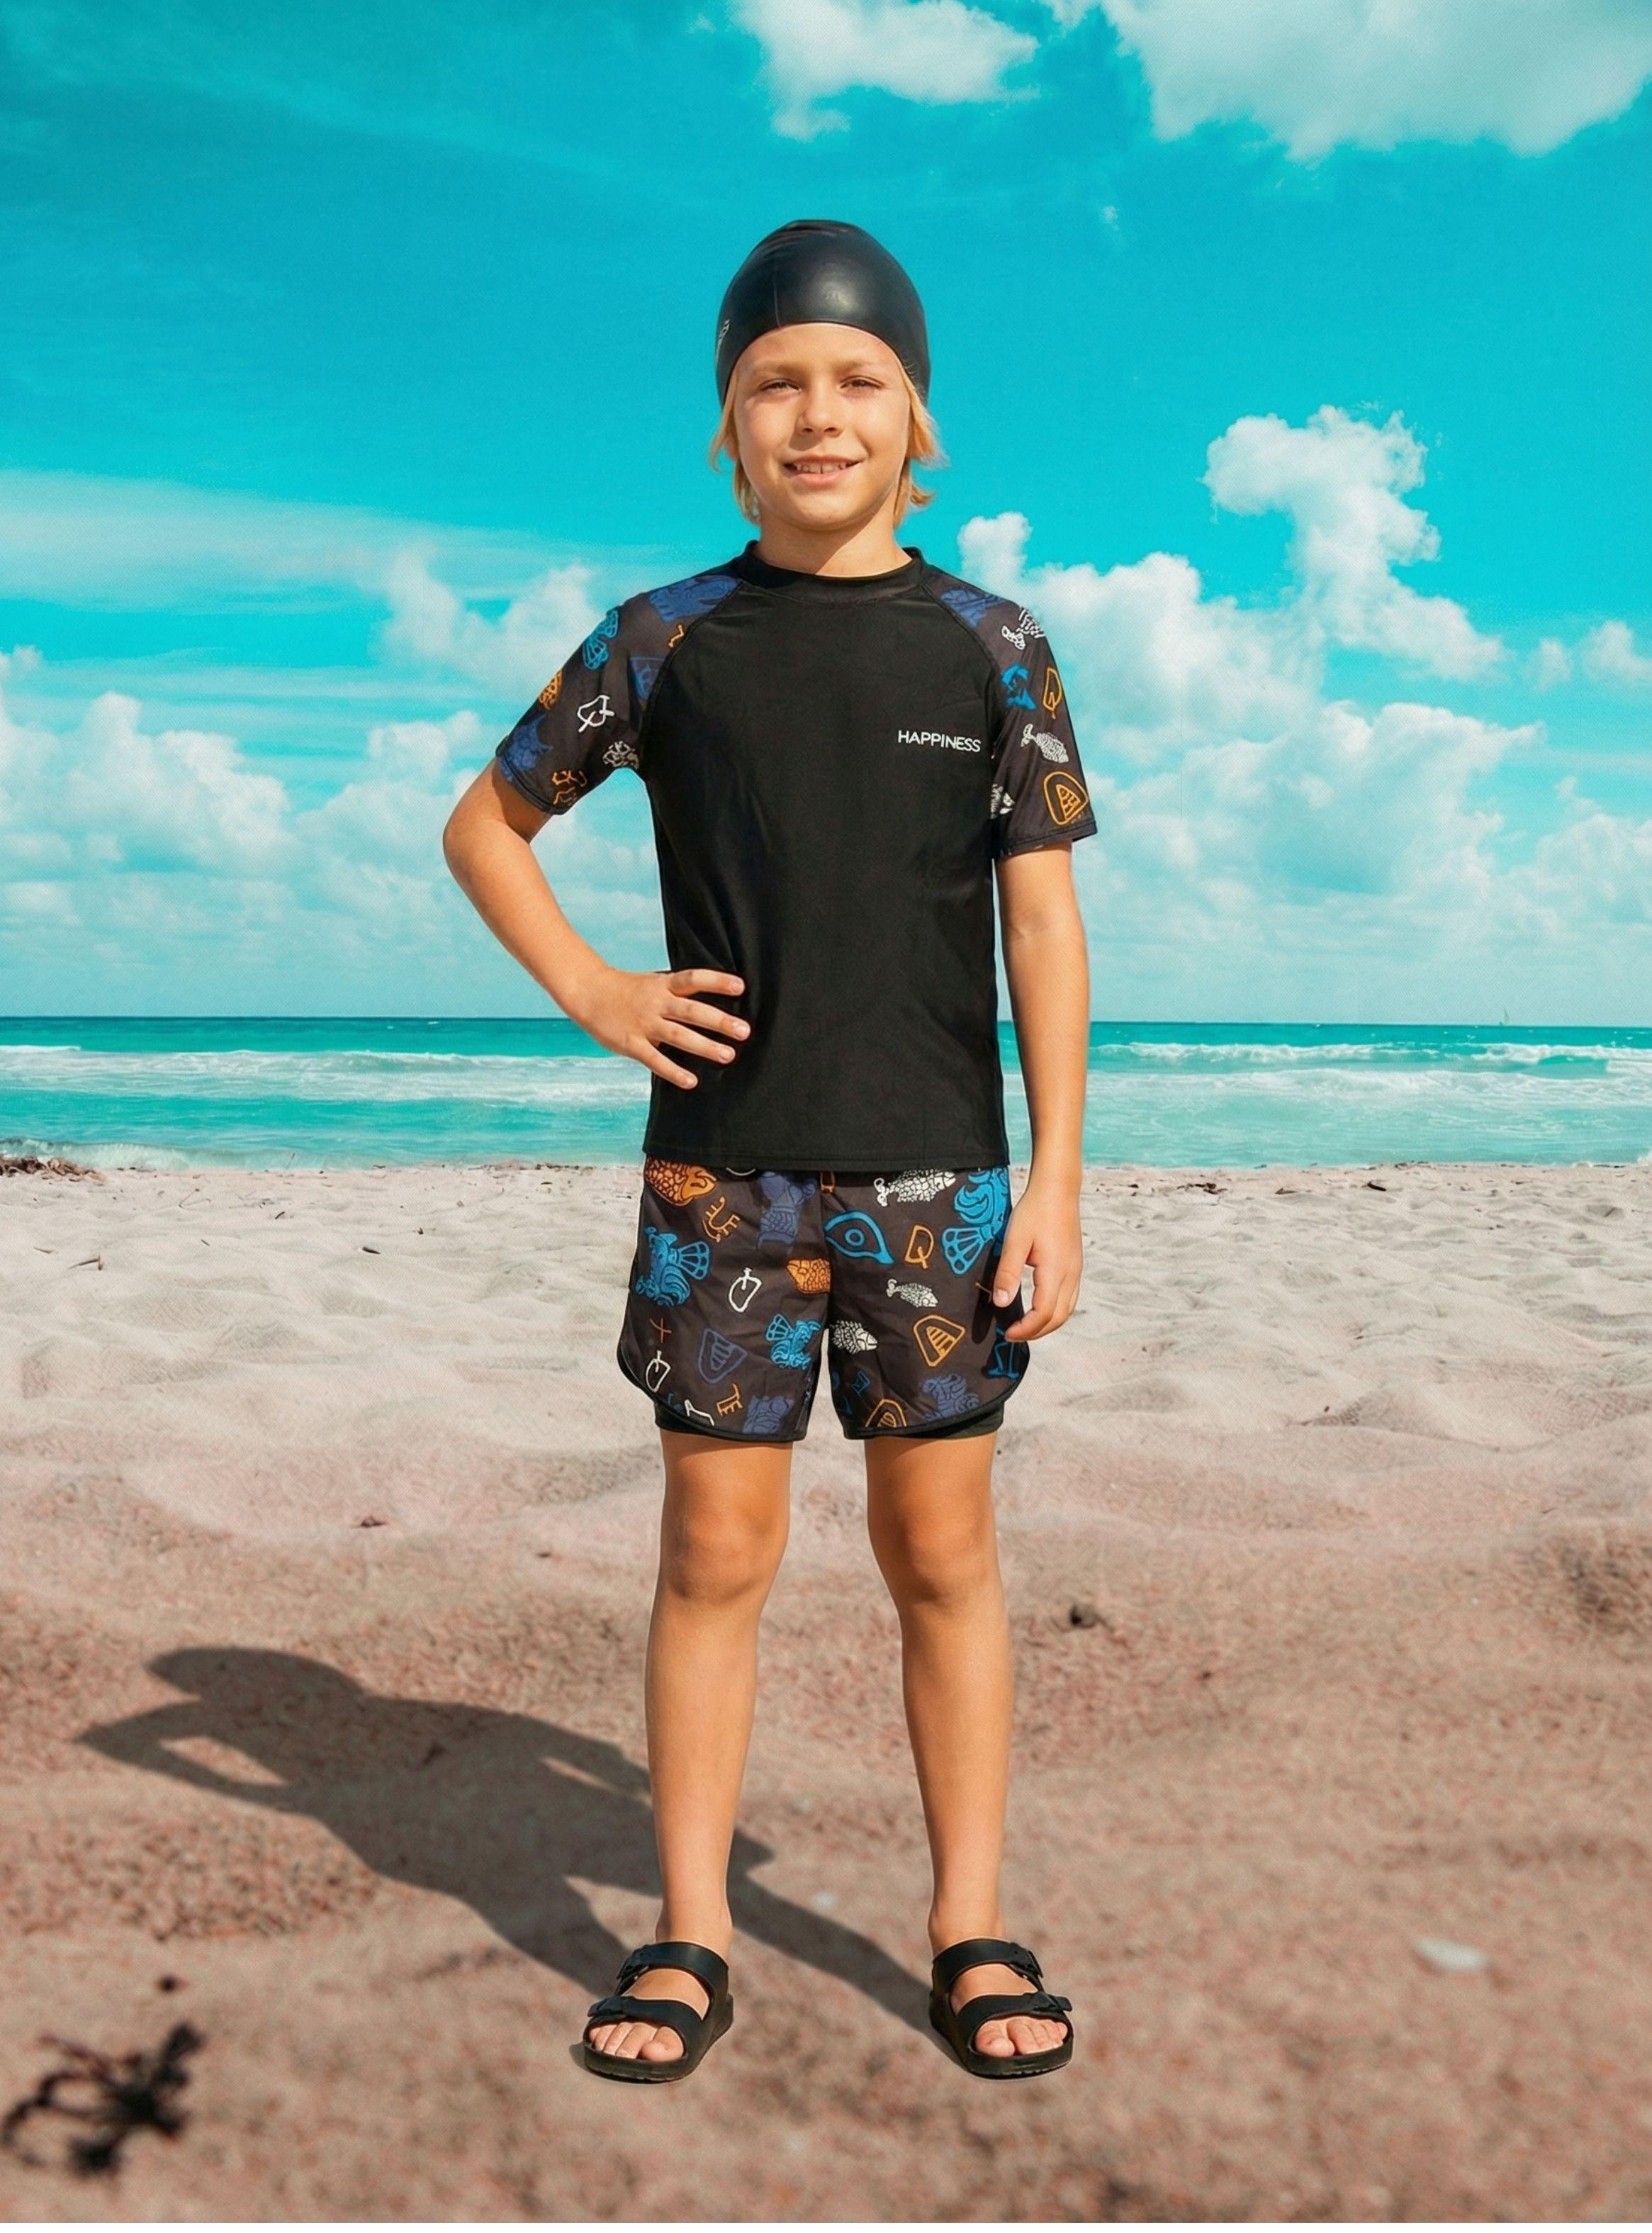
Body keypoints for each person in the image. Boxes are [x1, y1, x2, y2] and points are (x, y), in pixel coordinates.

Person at [443, 218, 1095, 2084]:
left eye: (857, 380)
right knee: (713, 1553)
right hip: (718, 1180)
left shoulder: (993, 646)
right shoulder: (664, 641)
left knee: (941, 1555)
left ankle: (970, 1923)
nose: (819, 414)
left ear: (919, 421)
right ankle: (687, 1930)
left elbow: (1042, 926)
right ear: (726, 429)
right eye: (774, 384)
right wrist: (595, 988)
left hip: (941, 1182)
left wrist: (1054, 1181)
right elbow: (484, 828)